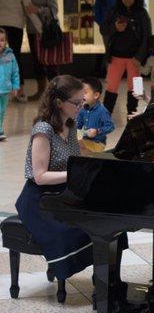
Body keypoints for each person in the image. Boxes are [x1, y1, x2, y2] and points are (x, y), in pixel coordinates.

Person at [15, 75, 94, 280]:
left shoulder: (71, 123)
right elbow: (40, 177)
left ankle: (107, 282)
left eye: (82, 101)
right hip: (38, 198)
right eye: (76, 103)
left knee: (101, 221)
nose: (80, 106)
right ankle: (61, 269)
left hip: (62, 192)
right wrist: (75, 174)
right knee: (68, 233)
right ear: (59, 103)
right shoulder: (43, 130)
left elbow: (73, 159)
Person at [101, 0, 151, 116]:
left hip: (134, 58)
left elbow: (147, 36)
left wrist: (140, 57)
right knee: (111, 88)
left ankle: (132, 116)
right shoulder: (113, 11)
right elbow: (103, 29)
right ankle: (105, 117)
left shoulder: (141, 13)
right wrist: (115, 28)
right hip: (116, 56)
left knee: (134, 89)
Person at [0, 0, 40, 103]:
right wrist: (40, 28)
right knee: (15, 56)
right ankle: (20, 91)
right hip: (15, 25)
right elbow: (28, 8)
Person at [26, 0, 59, 101]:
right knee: (36, 62)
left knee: (51, 63)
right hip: (31, 30)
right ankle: (40, 91)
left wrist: (38, 10)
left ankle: (56, 94)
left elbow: (54, 10)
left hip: (47, 30)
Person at [76, 76, 115, 152]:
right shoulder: (82, 109)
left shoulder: (102, 111)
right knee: (72, 146)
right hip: (85, 140)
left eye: (85, 92)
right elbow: (78, 126)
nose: (81, 95)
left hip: (98, 143)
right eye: (80, 92)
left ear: (96, 95)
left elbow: (110, 127)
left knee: (79, 151)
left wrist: (97, 131)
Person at [93, 0, 119, 77]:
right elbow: (96, 10)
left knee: (118, 49)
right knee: (108, 49)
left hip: (119, 26)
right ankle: (109, 72)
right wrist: (102, 23)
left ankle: (117, 72)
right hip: (106, 27)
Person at [0, 28, 20, 141]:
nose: (0, 43)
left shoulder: (10, 56)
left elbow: (15, 73)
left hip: (5, 89)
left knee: (2, 111)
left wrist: (15, 87)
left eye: (2, 40)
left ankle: (0, 129)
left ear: (6, 41)